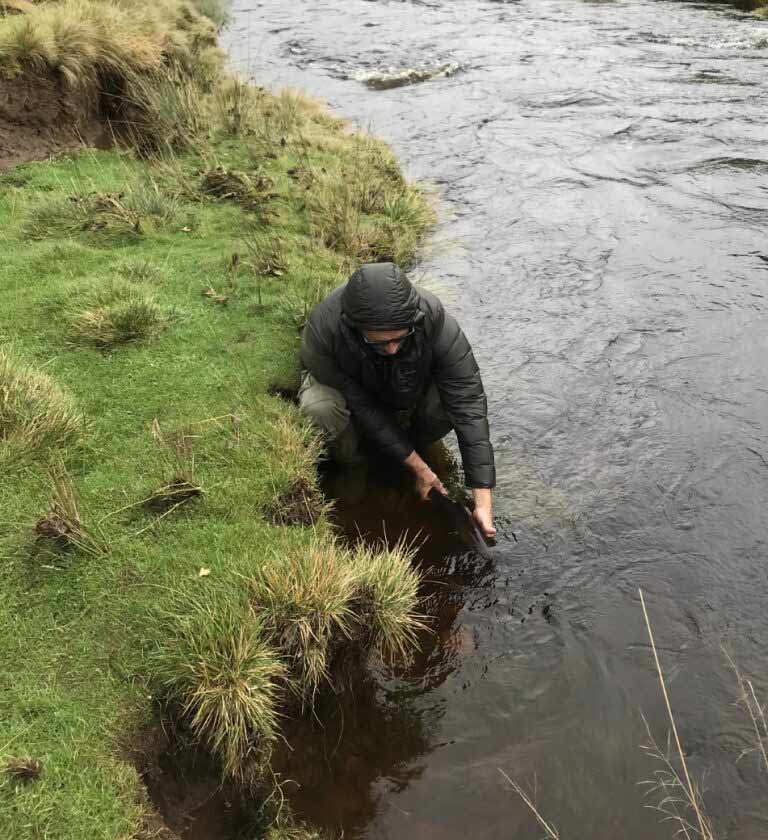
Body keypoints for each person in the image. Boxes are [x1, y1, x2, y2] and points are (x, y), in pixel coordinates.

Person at [298, 261, 496, 538]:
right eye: (379, 342)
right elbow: (361, 405)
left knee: (448, 402)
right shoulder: (325, 331)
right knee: (320, 408)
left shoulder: (432, 318)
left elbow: (468, 401)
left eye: (399, 339)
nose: (391, 349)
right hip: (351, 397)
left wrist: (482, 498)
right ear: (355, 327)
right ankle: (353, 462)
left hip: (400, 390)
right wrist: (417, 466)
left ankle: (414, 442)